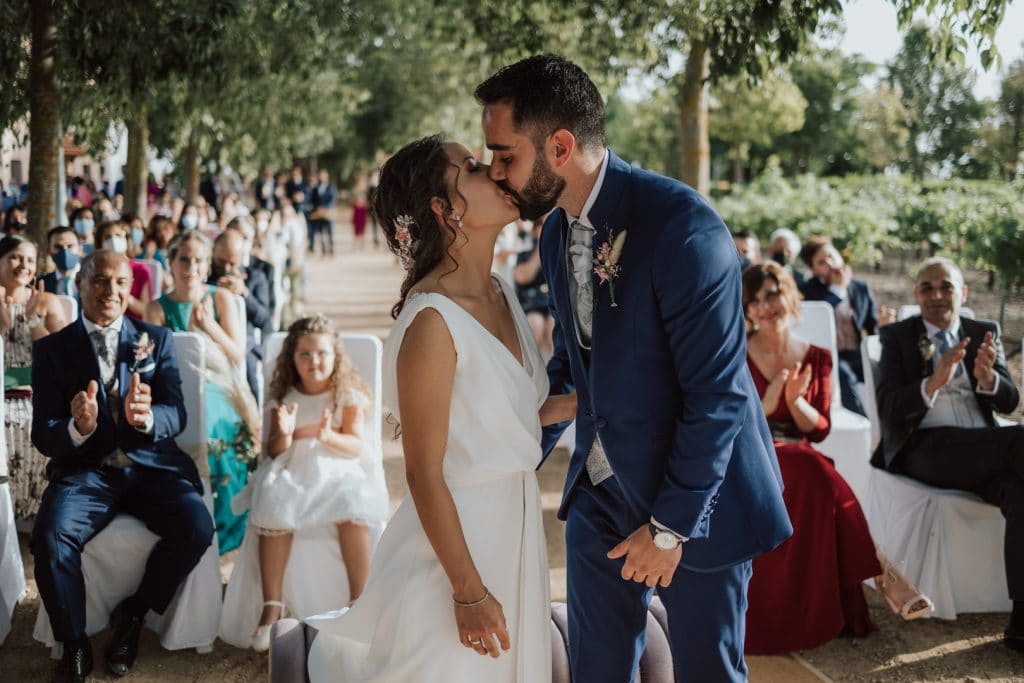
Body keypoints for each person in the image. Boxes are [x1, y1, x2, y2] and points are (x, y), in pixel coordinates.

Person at [476, 54, 791, 681]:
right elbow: (573, 365)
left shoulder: (682, 227)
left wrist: (671, 529)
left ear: (560, 146)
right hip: (600, 494)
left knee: (708, 674)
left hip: (700, 501)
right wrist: (502, 456)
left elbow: (718, 396)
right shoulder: (555, 234)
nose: (495, 172)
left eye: (504, 154)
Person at [306, 135, 575, 682]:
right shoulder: (433, 321)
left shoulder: (501, 291)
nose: (496, 172)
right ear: (443, 208)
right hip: (452, 557)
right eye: (473, 167)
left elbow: (508, 418)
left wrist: (600, 401)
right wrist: (468, 591)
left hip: (513, 530)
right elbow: (423, 473)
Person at [30, 250, 213, 682]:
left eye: (118, 282)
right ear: (80, 284)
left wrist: (146, 418)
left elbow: (176, 414)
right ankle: (74, 643)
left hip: (151, 467)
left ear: (130, 289)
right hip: (86, 472)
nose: (109, 290)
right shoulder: (53, 350)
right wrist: (77, 427)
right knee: (50, 538)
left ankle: (133, 613)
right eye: (99, 280)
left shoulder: (157, 339)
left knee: (196, 527)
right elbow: (44, 433)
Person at [741, 263, 932, 654]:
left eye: (772, 294)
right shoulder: (734, 353)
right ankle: (883, 573)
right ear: (745, 309)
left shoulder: (818, 357)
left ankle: (880, 573)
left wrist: (795, 402)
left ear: (790, 295)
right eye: (755, 300)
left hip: (797, 451)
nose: (765, 306)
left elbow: (819, 429)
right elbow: (731, 423)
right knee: (816, 469)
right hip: (748, 452)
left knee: (813, 467)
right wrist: (771, 400)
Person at [872, 256, 1024, 653]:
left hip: (985, 450)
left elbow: (1009, 400)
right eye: (926, 288)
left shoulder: (983, 330)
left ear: (964, 292)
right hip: (926, 448)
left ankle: (1022, 621)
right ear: (917, 294)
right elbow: (888, 408)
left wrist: (989, 379)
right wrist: (932, 382)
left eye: (946, 287)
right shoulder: (897, 337)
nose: (936, 296)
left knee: (1020, 494)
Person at [228, 315, 389, 651]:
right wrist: (286, 435)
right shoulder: (285, 397)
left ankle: (359, 601)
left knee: (351, 501)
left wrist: (326, 434)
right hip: (294, 465)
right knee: (274, 498)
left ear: (335, 357)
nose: (314, 362)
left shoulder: (346, 394)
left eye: (321, 354)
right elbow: (273, 451)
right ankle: (272, 607)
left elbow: (356, 445)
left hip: (338, 464)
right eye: (305, 354)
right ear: (292, 358)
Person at [144, 230, 259, 553]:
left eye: (198, 260)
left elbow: (238, 354)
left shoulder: (219, 299)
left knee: (213, 421)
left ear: (207, 264)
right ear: (171, 262)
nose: (191, 267)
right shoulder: (157, 308)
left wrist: (209, 327)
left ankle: (225, 524)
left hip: (222, 384)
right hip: (174, 385)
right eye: (184, 259)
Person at [2, 236, 68, 521]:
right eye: (16, 257)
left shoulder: (47, 301)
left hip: (35, 393)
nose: (24, 266)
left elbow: (64, 356)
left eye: (30, 260)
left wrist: (33, 322)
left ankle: (37, 516)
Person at [798, 236, 893, 416]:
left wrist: (884, 327)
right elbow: (816, 318)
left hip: (858, 352)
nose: (830, 263)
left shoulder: (860, 287)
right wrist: (837, 290)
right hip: (832, 355)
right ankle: (862, 421)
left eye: (831, 256)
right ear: (813, 270)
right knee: (845, 376)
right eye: (821, 262)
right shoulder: (807, 291)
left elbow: (872, 327)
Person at [209, 227, 273, 402]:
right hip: (211, 341)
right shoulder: (204, 276)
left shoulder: (255, 278)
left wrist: (244, 294)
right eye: (221, 262)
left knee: (250, 380)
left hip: (246, 344)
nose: (226, 268)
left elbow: (265, 319)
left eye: (232, 263)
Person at [95, 220, 154, 320]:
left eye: (118, 235)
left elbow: (145, 310)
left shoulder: (140, 270)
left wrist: (122, 295)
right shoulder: (95, 269)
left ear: (126, 239)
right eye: (108, 237)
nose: (113, 240)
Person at [513, 221, 553, 360]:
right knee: (535, 324)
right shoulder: (525, 253)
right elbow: (523, 277)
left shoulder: (555, 253)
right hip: (532, 305)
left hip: (552, 305)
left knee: (554, 328)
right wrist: (539, 251)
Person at [40, 226, 84, 297]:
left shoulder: (93, 280)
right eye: (58, 247)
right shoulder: (41, 284)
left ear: (80, 249)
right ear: (48, 250)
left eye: (70, 246)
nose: (65, 252)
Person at [310, 169, 338, 256]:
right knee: (320, 232)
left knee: (330, 232)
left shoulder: (331, 187)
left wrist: (325, 208)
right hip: (318, 213)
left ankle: (331, 250)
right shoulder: (315, 188)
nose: (321, 177)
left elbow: (333, 199)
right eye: (320, 175)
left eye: (323, 175)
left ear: (326, 177)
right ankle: (323, 250)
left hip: (328, 213)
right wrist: (317, 208)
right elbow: (313, 200)